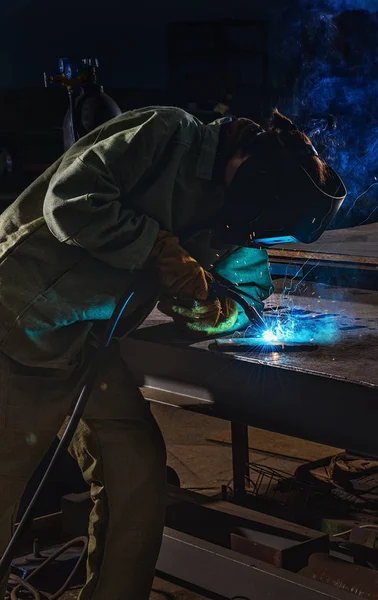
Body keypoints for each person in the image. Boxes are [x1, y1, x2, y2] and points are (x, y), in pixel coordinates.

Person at [0, 106, 345, 599]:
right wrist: (156, 249)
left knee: (136, 474)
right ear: (249, 166)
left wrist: (207, 304)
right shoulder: (167, 135)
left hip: (86, 346)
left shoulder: (234, 214)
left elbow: (246, 293)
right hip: (19, 322)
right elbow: (70, 202)